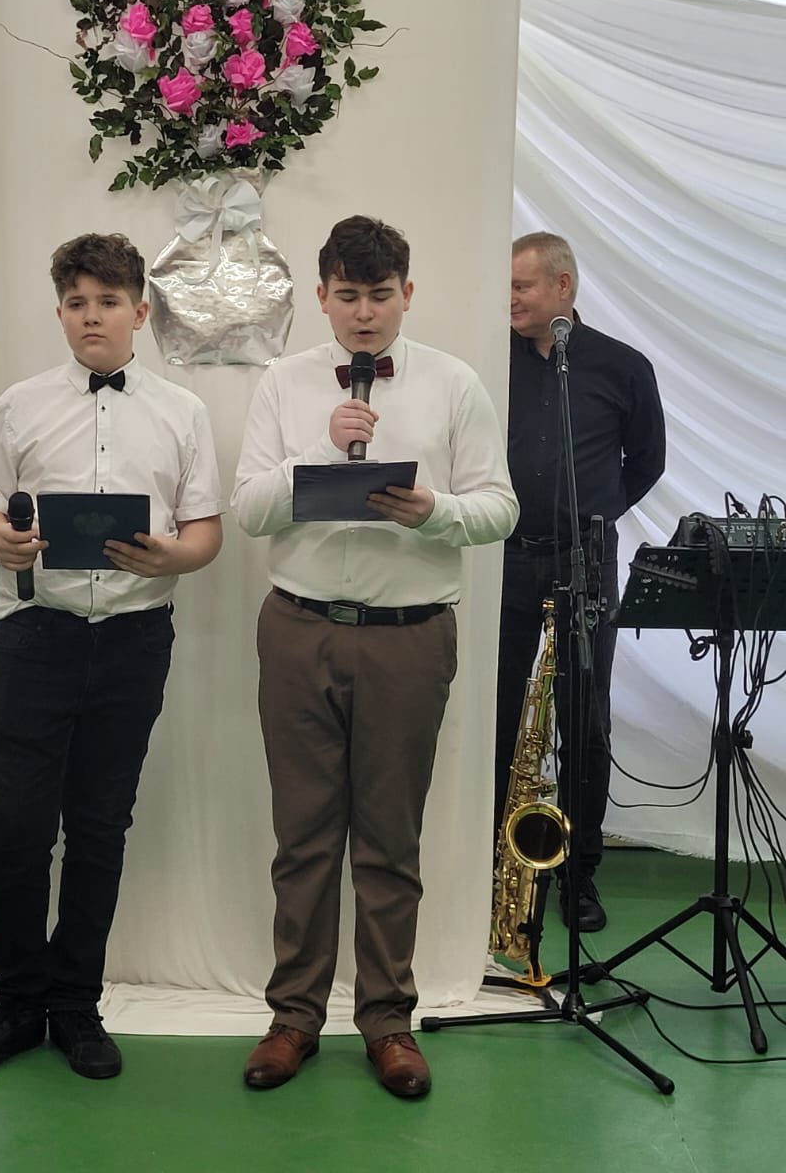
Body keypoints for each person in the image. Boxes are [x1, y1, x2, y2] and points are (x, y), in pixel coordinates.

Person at [231, 216, 518, 1098]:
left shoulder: (455, 383)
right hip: (299, 628)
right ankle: (293, 1018)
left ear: (408, 294)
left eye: (380, 295)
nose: (364, 313)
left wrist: (434, 513)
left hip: (409, 635)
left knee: (391, 839)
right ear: (321, 297)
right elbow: (249, 510)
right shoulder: (283, 382)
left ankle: (389, 1022)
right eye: (348, 295)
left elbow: (500, 507)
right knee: (303, 836)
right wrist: (324, 448)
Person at [0, 233, 222, 1082]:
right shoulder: (20, 405)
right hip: (37, 635)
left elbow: (205, 532)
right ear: (60, 313)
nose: (91, 316)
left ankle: (76, 1004)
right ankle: (15, 1003)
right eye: (76, 303)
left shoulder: (183, 412)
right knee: (17, 829)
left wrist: (172, 556)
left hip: (133, 640)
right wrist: (2, 540)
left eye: (107, 301)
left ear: (141, 311)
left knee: (100, 827)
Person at [497, 232, 665, 932]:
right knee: (498, 713)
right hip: (504, 556)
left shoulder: (622, 366)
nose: (509, 299)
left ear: (561, 287)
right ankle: (495, 868)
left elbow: (647, 462)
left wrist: (596, 514)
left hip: (586, 562)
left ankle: (579, 874)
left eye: (521, 286)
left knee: (585, 722)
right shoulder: (490, 359)